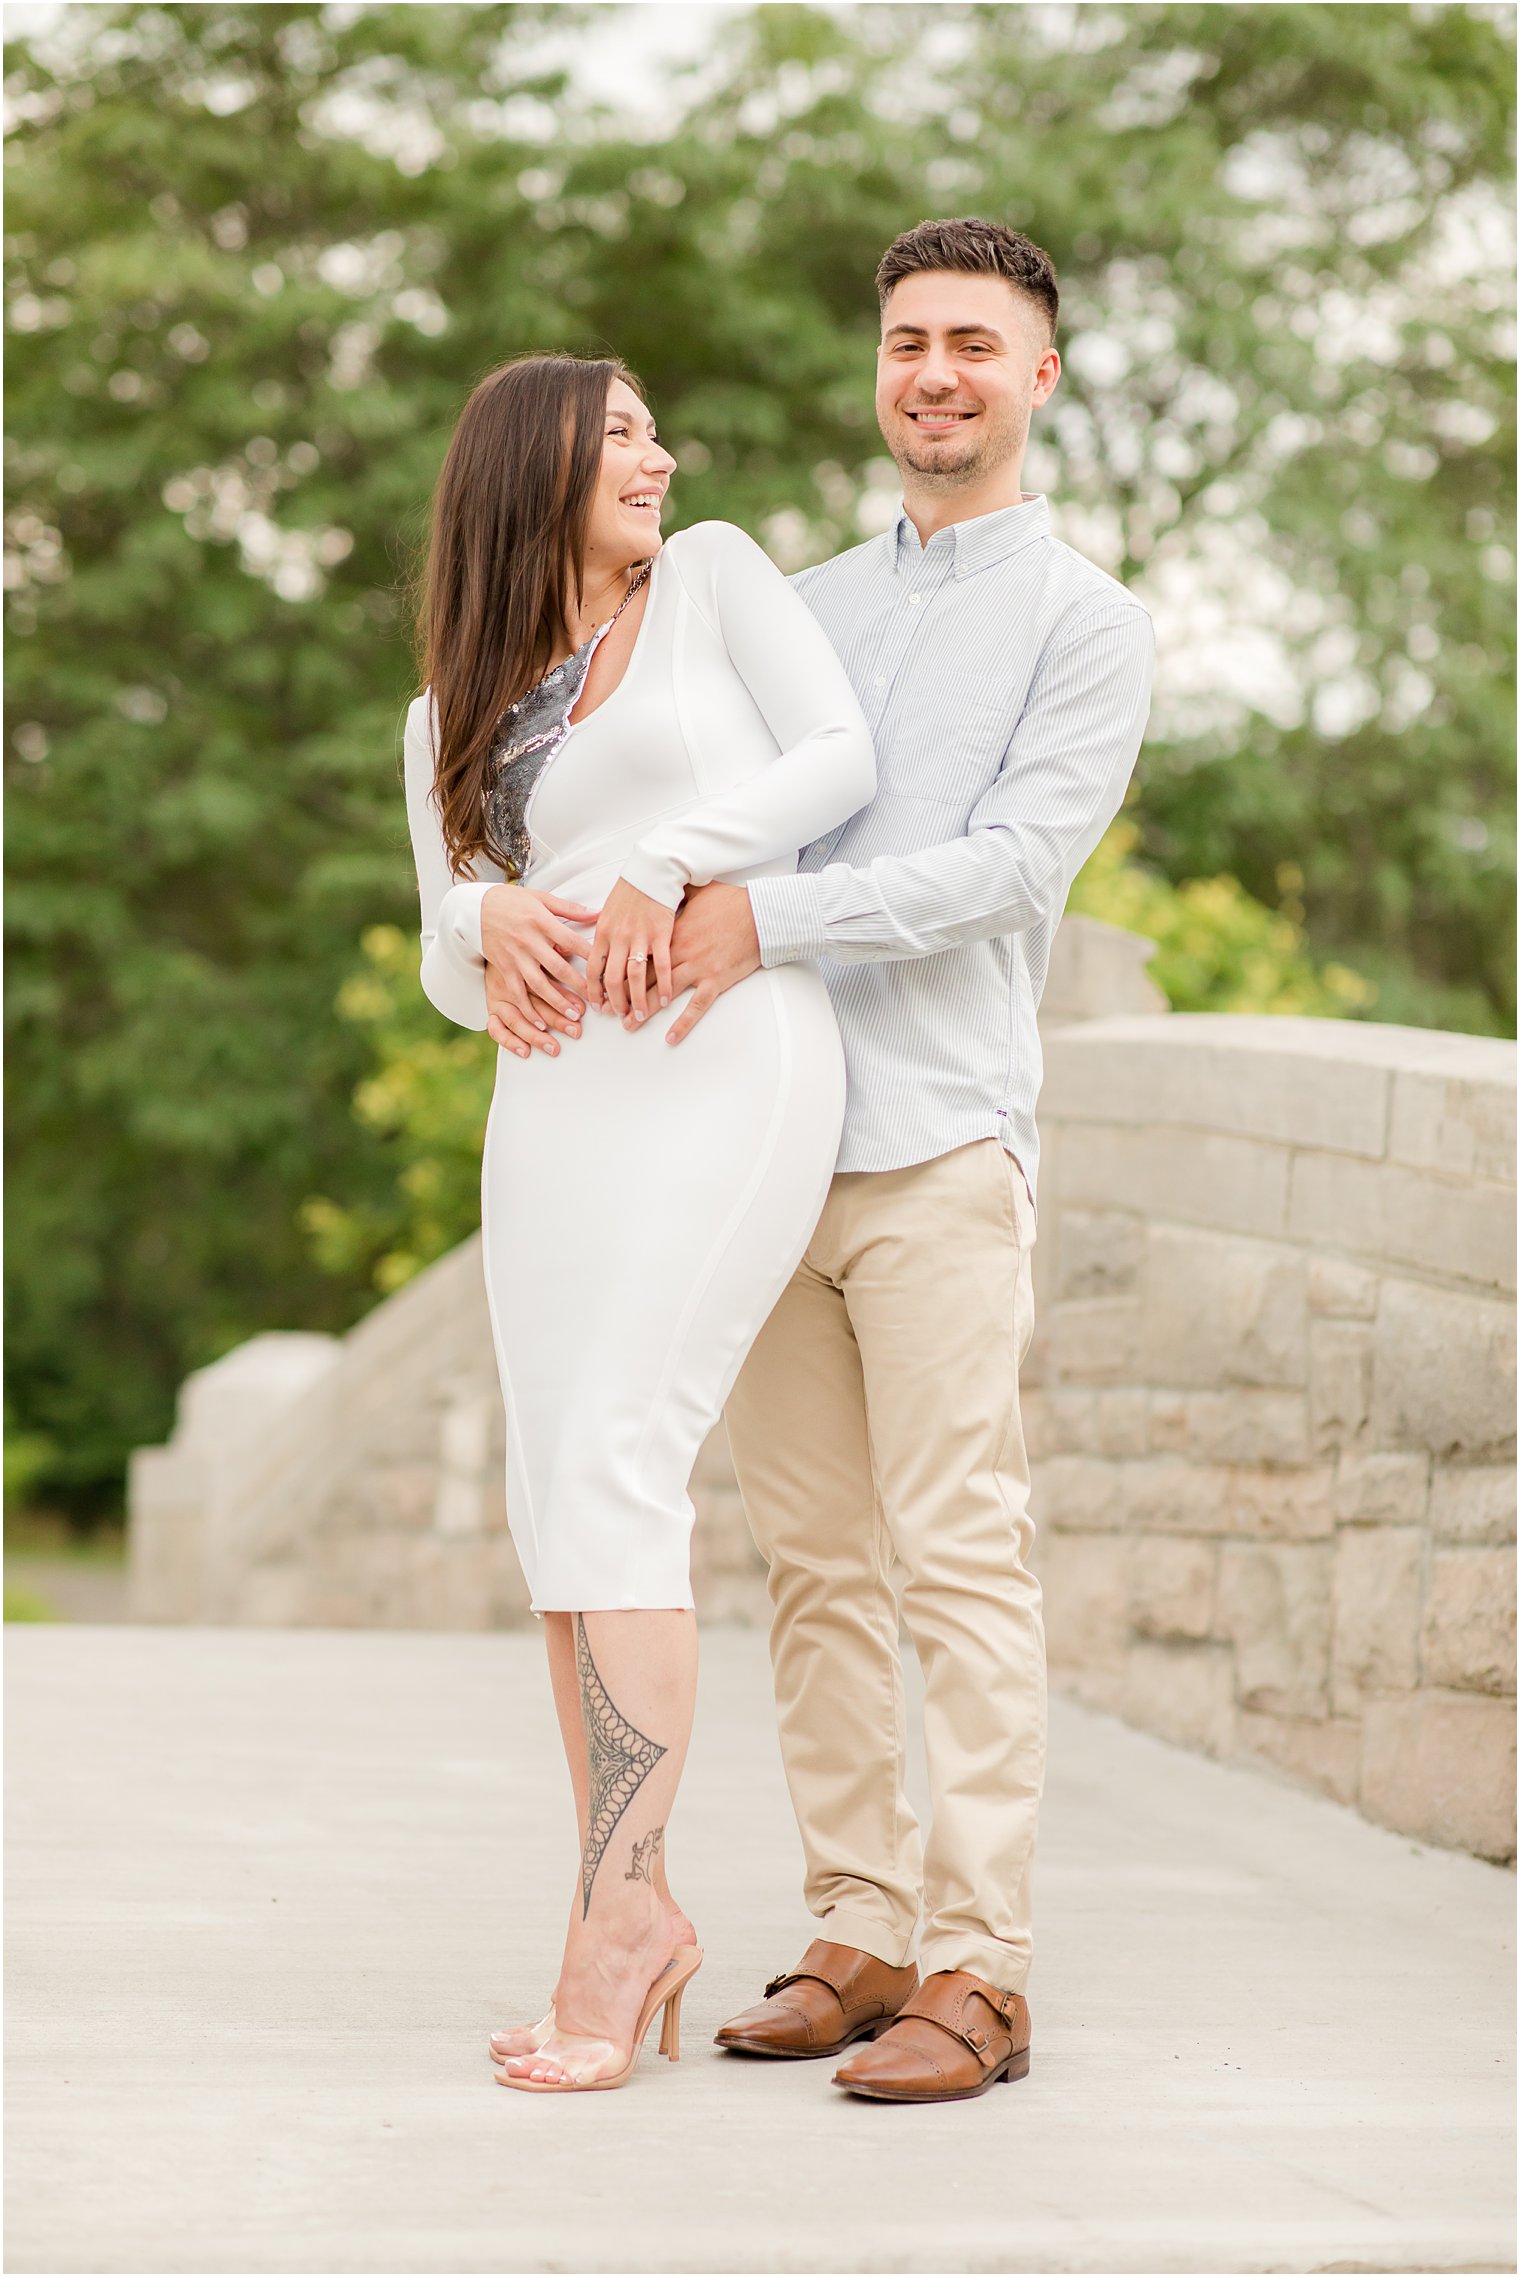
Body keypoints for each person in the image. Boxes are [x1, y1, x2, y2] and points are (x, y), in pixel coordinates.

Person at [650, 217, 1155, 2103]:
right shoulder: (791, 603)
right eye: (906, 343)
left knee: (960, 1554)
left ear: (1039, 374)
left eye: (973, 344)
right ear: (878, 369)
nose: (932, 372)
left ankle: (984, 1964)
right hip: (762, 1154)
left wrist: (764, 923)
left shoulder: (1093, 624)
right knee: (810, 1565)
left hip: (942, 1143)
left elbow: (1013, 871)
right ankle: (858, 1929)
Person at [404, 352, 875, 2093]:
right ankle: (631, 1900)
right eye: (620, 436)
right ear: (531, 465)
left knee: (623, 1451)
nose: (659, 456)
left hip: (718, 1057)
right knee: (560, 1489)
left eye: (656, 430)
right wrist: (489, 926)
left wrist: (673, 859)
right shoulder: (450, 706)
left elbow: (840, 754)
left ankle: (620, 1926)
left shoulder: (721, 582)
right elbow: (450, 950)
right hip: (554, 1111)